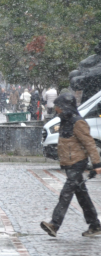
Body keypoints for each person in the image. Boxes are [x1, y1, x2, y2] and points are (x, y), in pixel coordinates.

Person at [40, 93, 101, 237]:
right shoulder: (64, 120)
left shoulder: (78, 122)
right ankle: (95, 224)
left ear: (65, 107)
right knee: (82, 195)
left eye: (58, 106)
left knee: (66, 194)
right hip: (69, 163)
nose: (56, 109)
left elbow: (89, 143)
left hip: (77, 163)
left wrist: (97, 163)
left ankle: (54, 224)